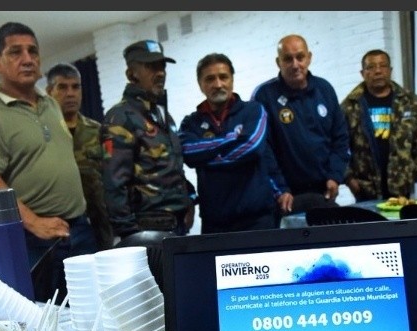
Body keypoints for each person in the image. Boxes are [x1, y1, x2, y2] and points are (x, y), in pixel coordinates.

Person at [0, 22, 98, 303]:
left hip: (79, 228)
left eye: (32, 51)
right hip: (36, 238)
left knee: (90, 309)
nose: (27, 59)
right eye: (15, 52)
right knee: (47, 316)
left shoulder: (50, 104)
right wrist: (34, 222)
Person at [178, 53, 293, 234]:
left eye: (223, 77)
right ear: (200, 84)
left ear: (232, 80)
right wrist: (232, 139)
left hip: (257, 220)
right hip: (214, 224)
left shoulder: (253, 111)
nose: (218, 84)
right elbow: (189, 153)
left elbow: (252, 147)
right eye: (210, 79)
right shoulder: (190, 123)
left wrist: (207, 156)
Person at [100, 39, 194, 238]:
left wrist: (188, 201)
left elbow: (173, 167)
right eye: (151, 67)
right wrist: (130, 236)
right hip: (146, 229)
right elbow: (114, 183)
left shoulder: (161, 116)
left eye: (162, 66)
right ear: (131, 74)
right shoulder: (121, 117)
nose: (160, 73)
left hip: (175, 225)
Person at [251, 34, 350, 215]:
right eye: (288, 59)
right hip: (285, 198)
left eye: (300, 57)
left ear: (309, 57)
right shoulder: (264, 96)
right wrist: (280, 189)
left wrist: (335, 176)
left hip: (325, 192)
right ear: (278, 62)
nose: (295, 64)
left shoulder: (325, 89)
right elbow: (264, 150)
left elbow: (341, 139)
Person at [341, 49, 417, 201]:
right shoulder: (350, 107)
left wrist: (409, 176)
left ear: (390, 70)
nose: (378, 71)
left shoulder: (410, 103)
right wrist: (350, 179)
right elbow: (339, 147)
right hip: (365, 191)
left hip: (401, 193)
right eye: (371, 67)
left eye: (383, 66)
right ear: (362, 73)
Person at [45, 62, 114, 250]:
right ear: (49, 91)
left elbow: (111, 174)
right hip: (61, 226)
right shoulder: (43, 133)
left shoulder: (97, 131)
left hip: (99, 223)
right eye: (62, 87)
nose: (70, 94)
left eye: (76, 87)